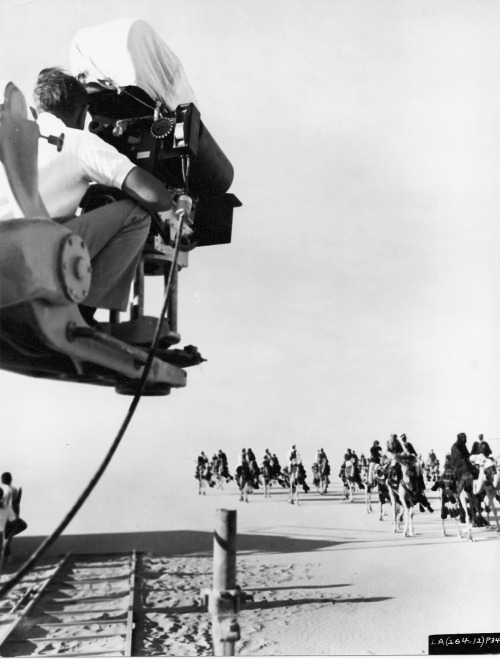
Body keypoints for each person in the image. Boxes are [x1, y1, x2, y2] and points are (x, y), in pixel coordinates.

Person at [33, 67, 180, 326]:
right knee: (136, 214)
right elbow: (156, 198)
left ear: (37, 110)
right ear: (82, 112)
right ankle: (81, 316)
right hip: (37, 258)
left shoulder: (17, 137)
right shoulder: (78, 141)